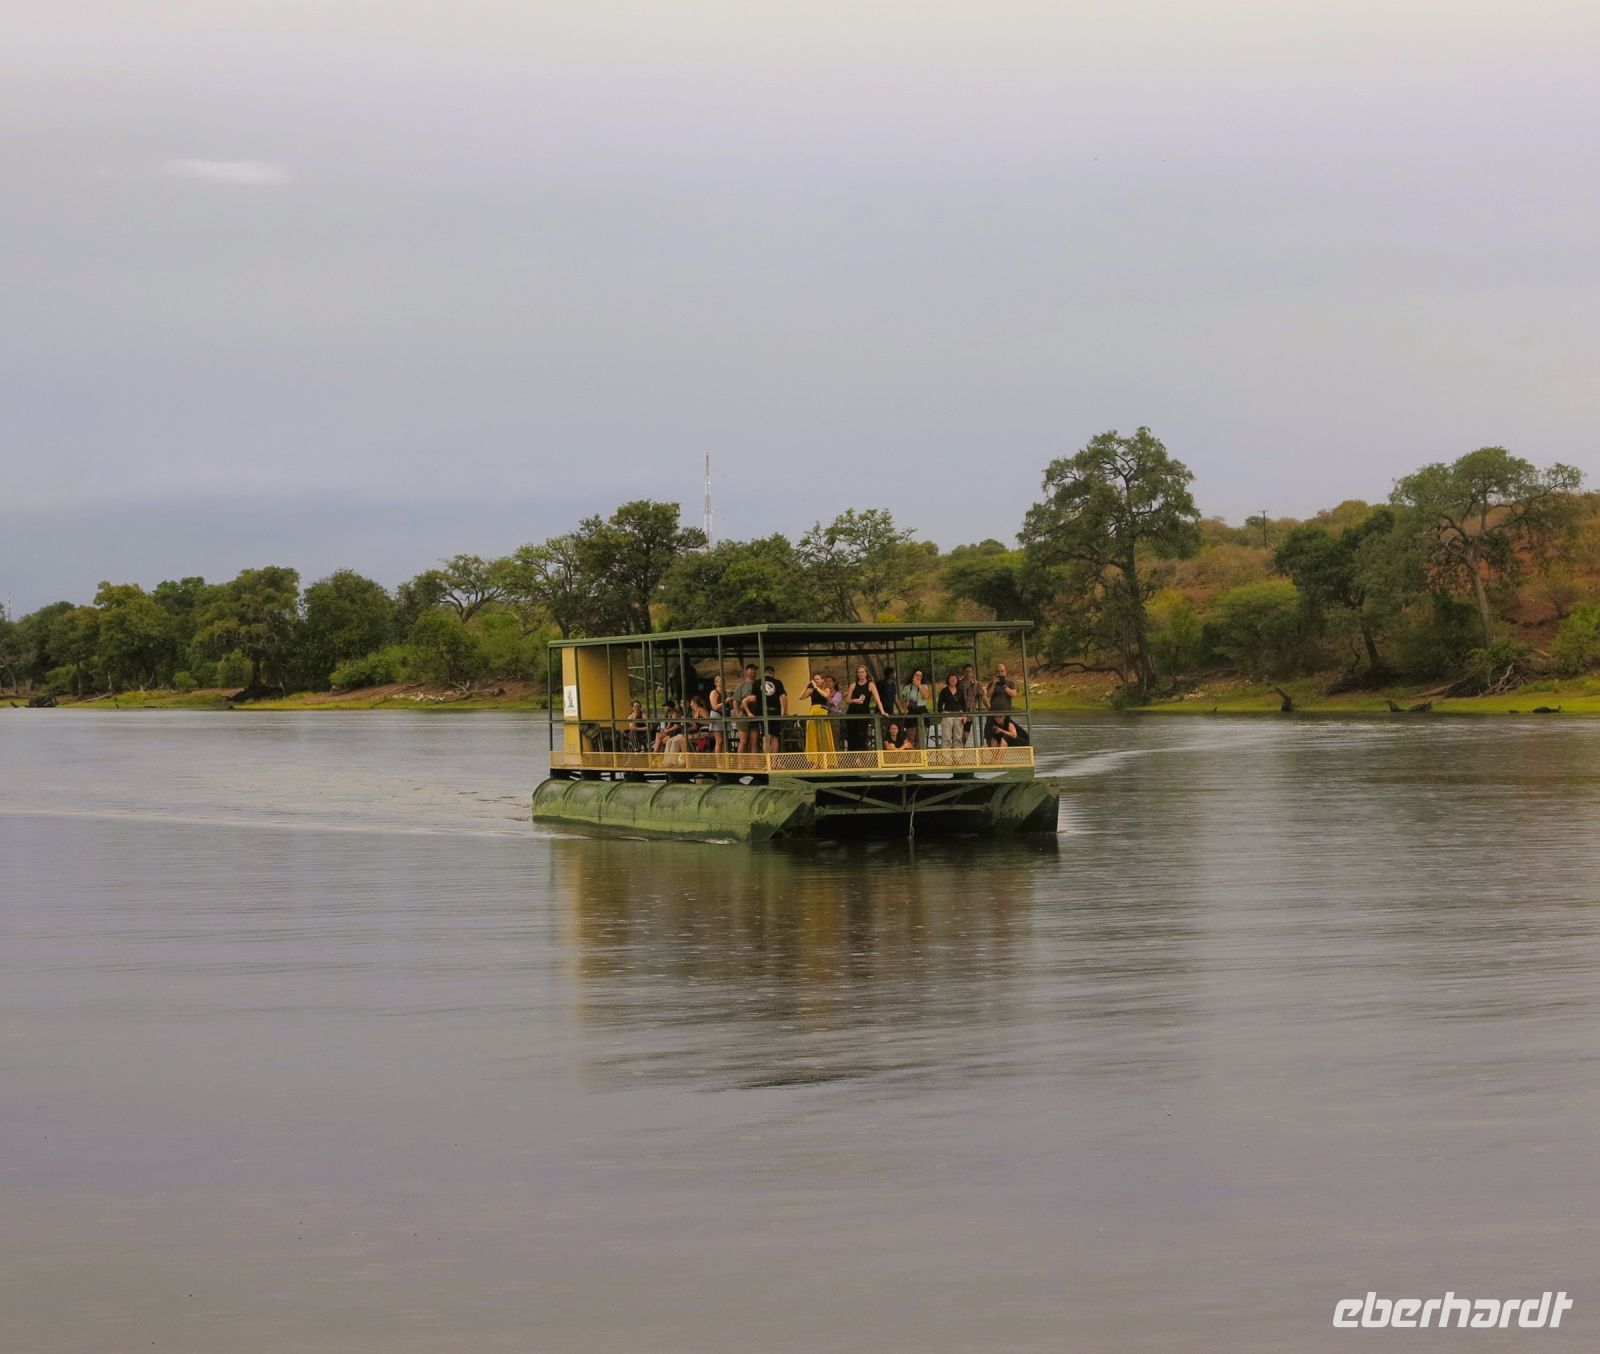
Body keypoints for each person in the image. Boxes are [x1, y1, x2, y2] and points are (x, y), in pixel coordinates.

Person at [844, 663, 886, 751]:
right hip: (852, 712)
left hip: (863, 712)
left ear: (866, 673)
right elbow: (847, 700)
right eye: (859, 672)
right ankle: (851, 758)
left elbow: (878, 700)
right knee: (852, 735)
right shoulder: (853, 685)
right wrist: (854, 700)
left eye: (862, 672)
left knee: (861, 735)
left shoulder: (871, 685)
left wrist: (882, 711)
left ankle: (861, 758)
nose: (861, 674)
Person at [749, 664, 787, 753]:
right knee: (775, 738)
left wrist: (751, 711)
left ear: (764, 673)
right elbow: (783, 697)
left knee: (765, 738)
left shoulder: (757, 683)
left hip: (762, 713)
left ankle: (768, 762)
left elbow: (753, 698)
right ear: (772, 673)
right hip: (775, 712)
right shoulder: (778, 682)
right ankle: (774, 763)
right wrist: (785, 711)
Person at [800, 673, 836, 756]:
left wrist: (816, 688)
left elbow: (826, 695)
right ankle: (814, 760)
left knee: (823, 735)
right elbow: (800, 697)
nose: (816, 681)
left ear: (822, 680)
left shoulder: (826, 689)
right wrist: (806, 687)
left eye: (818, 679)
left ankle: (826, 759)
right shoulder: (812, 690)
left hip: (822, 712)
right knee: (813, 735)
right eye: (814, 679)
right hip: (813, 712)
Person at [985, 664, 1018, 746]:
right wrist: (994, 683)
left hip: (1005, 714)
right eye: (998, 672)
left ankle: (1001, 755)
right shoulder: (992, 682)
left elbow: (1014, 694)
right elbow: (988, 695)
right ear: (996, 673)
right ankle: (994, 754)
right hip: (993, 713)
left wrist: (1005, 687)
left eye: (1002, 671)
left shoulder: (1010, 682)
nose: (1000, 674)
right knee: (990, 734)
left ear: (1005, 672)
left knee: (1004, 735)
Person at [936, 671, 967, 751]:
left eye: (955, 678)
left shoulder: (960, 691)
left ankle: (958, 756)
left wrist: (964, 715)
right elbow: (939, 704)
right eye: (951, 678)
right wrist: (942, 712)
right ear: (948, 680)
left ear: (957, 680)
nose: (953, 680)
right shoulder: (944, 691)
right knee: (946, 736)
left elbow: (964, 704)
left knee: (958, 737)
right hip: (947, 714)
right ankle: (946, 758)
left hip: (959, 714)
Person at [900, 666, 930, 745]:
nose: (918, 677)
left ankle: (921, 756)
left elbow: (926, 696)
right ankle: (911, 756)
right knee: (910, 737)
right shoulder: (907, 687)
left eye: (920, 675)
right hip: (911, 711)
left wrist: (919, 685)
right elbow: (903, 700)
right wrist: (904, 709)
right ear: (913, 675)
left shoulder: (924, 686)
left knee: (920, 738)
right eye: (916, 675)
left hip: (922, 710)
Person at [732, 663, 758, 753]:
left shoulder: (758, 684)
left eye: (754, 670)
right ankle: (740, 764)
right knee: (743, 741)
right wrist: (738, 713)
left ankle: (754, 763)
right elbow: (735, 700)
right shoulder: (742, 685)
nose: (753, 672)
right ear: (746, 671)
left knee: (754, 741)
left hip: (755, 715)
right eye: (751, 669)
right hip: (744, 715)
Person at [958, 663, 983, 747]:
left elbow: (981, 697)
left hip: (969, 714)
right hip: (959, 712)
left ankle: (961, 750)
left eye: (970, 671)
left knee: (965, 736)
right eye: (966, 671)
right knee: (957, 735)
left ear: (972, 672)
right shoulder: (958, 683)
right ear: (963, 672)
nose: (968, 673)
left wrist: (989, 708)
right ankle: (957, 753)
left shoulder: (977, 684)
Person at [707, 673, 727, 754]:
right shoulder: (714, 692)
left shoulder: (725, 692)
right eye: (720, 681)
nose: (722, 683)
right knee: (719, 740)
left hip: (724, 715)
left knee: (725, 740)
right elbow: (714, 706)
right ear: (716, 683)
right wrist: (725, 702)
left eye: (723, 681)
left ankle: (725, 759)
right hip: (716, 715)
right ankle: (718, 762)